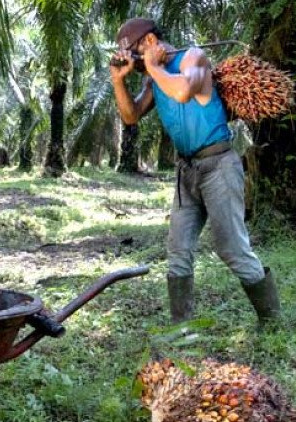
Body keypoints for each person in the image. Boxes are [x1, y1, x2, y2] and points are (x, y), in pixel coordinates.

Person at [110, 18, 280, 325]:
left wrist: (152, 68)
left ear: (149, 42)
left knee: (232, 249)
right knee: (178, 251)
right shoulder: (154, 77)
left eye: (133, 52)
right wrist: (118, 80)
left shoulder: (193, 58)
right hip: (186, 171)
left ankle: (272, 320)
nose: (132, 60)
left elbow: (183, 91)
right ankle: (182, 329)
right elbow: (131, 116)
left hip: (219, 167)